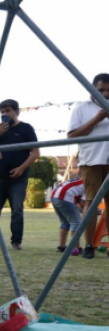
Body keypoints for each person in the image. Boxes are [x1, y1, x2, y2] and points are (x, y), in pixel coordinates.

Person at [0, 99, 39, 252]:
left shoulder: (26, 129)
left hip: (18, 176)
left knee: (17, 209)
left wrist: (22, 168)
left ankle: (16, 241)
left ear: (17, 112)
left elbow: (35, 152)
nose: (5, 114)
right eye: (2, 111)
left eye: (8, 111)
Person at [67, 73, 109, 260]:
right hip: (92, 161)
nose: (105, 93)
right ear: (92, 89)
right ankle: (89, 244)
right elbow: (72, 136)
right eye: (101, 90)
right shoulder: (81, 109)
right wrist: (96, 119)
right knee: (91, 203)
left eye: (108, 90)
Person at [51, 177, 85, 253]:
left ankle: (62, 246)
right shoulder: (89, 185)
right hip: (65, 197)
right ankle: (76, 248)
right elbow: (83, 204)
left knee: (65, 222)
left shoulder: (79, 180)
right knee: (76, 223)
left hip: (54, 196)